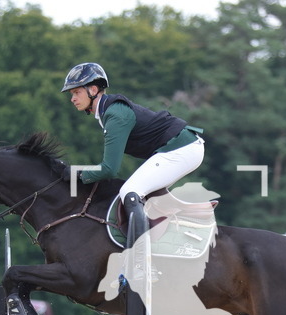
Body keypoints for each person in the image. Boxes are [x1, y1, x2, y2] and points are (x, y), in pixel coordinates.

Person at [61, 62, 205, 207]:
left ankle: (140, 231)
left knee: (129, 192)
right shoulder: (108, 111)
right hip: (181, 147)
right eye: (72, 94)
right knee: (149, 196)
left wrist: (79, 174)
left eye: (76, 92)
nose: (72, 98)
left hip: (181, 149)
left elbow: (110, 169)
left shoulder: (115, 115)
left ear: (93, 90)